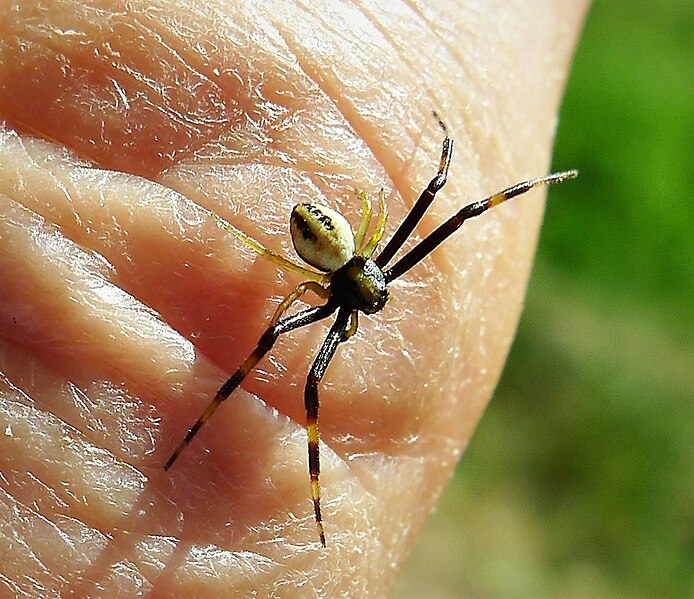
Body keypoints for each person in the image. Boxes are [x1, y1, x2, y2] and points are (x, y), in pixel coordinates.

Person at [0, 1, 587, 596]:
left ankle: (234, 450)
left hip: (339, 253)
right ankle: (233, 449)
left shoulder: (343, 287)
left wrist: (445, 156)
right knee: (311, 358)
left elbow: (452, 205)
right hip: (335, 252)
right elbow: (447, 209)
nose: (377, 299)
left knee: (444, 214)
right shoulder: (348, 285)